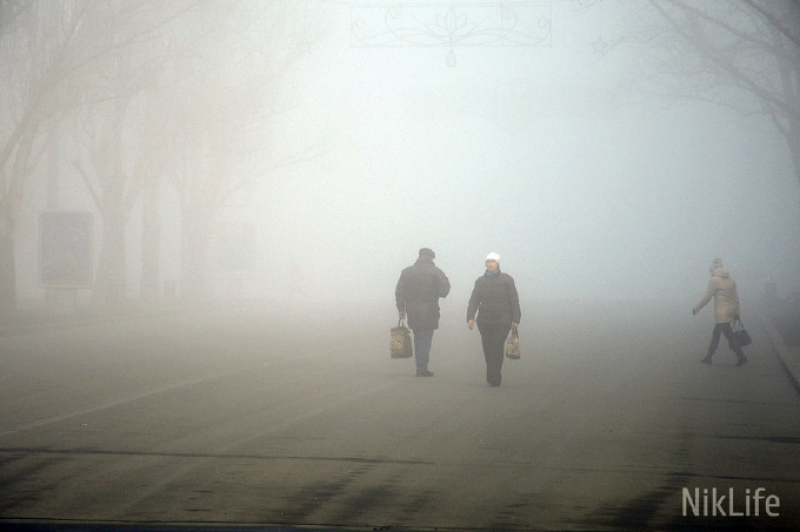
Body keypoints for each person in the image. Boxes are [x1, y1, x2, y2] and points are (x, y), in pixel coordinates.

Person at [467, 252, 521, 386]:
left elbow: (514, 299)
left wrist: (516, 318)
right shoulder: (480, 281)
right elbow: (474, 300)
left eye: (493, 261)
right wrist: (470, 317)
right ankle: (492, 374)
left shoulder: (507, 280)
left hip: (503, 320)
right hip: (484, 320)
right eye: (488, 261)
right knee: (488, 348)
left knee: (496, 346)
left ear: (498, 263)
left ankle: (494, 376)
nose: (490, 264)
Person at [395, 248, 451, 377]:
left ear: (419, 256)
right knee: (425, 338)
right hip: (430, 310)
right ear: (431, 258)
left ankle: (420, 366)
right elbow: (444, 291)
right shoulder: (436, 271)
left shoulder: (407, 272)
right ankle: (422, 367)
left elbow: (399, 292)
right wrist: (434, 291)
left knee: (418, 337)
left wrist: (401, 310)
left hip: (412, 310)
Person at [693, 257, 748, 366]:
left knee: (726, 336)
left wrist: (697, 308)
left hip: (721, 313)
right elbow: (735, 297)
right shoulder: (731, 279)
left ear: (712, 270)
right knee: (719, 334)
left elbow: (707, 297)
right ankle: (709, 357)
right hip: (730, 310)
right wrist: (737, 312)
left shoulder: (714, 280)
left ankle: (741, 357)